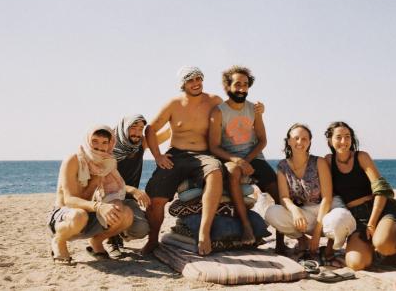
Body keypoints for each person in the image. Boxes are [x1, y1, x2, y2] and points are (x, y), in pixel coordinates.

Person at [142, 66, 225, 256]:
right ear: (183, 84)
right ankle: (153, 240)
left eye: (198, 79)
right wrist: (158, 156)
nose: (196, 83)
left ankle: (204, 234)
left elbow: (234, 116)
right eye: (191, 80)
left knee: (215, 171)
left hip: (204, 154)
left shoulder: (214, 101)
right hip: (177, 155)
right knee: (155, 198)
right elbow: (150, 129)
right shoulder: (174, 104)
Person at [208, 65, 286, 252]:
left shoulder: (254, 110)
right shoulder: (218, 112)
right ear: (228, 86)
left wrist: (248, 160)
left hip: (253, 156)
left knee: (279, 192)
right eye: (237, 84)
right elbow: (213, 147)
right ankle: (246, 226)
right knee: (234, 172)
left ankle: (281, 241)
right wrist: (237, 161)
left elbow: (262, 140)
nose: (242, 88)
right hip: (229, 157)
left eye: (245, 84)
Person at [265, 123, 355, 260]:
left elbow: (327, 198)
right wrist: (295, 211)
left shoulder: (319, 162)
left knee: (339, 219)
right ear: (289, 141)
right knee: (272, 213)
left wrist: (317, 233)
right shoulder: (282, 166)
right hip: (305, 211)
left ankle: (330, 248)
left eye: (304, 139)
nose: (300, 142)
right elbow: (284, 197)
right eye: (296, 138)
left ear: (310, 142)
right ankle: (303, 241)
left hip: (327, 209)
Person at [47, 125, 134, 264]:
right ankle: (59, 240)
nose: (100, 146)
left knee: (126, 214)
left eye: (104, 142)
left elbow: (112, 192)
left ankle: (97, 242)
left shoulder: (107, 163)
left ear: (110, 144)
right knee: (79, 215)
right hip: (65, 216)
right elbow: (69, 200)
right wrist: (99, 205)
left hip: (89, 212)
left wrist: (116, 204)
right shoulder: (73, 160)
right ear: (88, 141)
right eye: (95, 141)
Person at [324, 121, 396, 270]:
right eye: (338, 137)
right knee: (356, 264)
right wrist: (330, 245)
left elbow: (381, 190)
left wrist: (372, 223)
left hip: (380, 209)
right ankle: (372, 247)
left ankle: (395, 247)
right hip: (355, 218)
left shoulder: (361, 156)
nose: (344, 141)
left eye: (347, 136)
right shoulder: (328, 161)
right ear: (330, 140)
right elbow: (330, 198)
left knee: (383, 245)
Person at [103, 114, 170, 258]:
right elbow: (105, 182)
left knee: (142, 228)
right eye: (133, 128)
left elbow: (165, 135)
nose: (137, 133)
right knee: (115, 210)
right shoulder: (108, 150)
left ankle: (119, 233)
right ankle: (110, 241)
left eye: (141, 129)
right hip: (107, 198)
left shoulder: (139, 145)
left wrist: (177, 119)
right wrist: (133, 190)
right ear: (123, 128)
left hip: (128, 199)